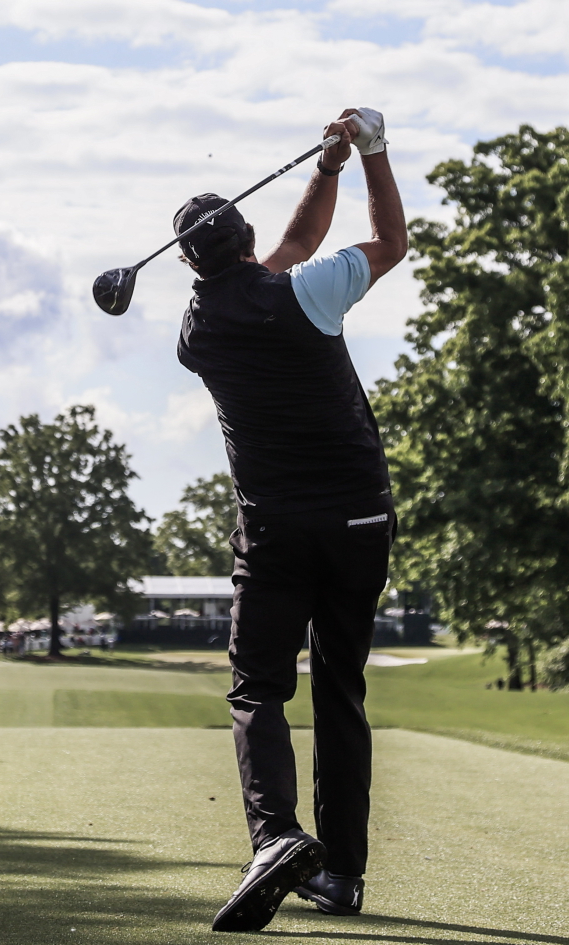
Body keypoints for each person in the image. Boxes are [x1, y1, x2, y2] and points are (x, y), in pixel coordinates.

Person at [173, 109, 408, 931]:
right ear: (244, 238)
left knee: (258, 689)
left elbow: (285, 252)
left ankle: (274, 836)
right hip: (357, 523)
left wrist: (327, 168)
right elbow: (387, 243)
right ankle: (341, 875)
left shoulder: (198, 332)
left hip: (273, 532)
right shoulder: (308, 293)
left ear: (190, 263)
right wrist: (372, 154)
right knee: (339, 691)